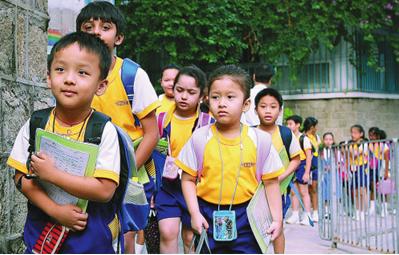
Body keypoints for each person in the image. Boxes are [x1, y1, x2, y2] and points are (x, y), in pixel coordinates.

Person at [6, 32, 121, 253]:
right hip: (41, 236)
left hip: (90, 241)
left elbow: (105, 190)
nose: (69, 79)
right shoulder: (36, 122)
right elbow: (20, 177)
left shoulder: (103, 130)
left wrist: (52, 175)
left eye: (83, 72)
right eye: (60, 69)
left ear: (101, 85)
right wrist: (55, 210)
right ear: (48, 77)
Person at [76, 2, 160, 253]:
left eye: (105, 27)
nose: (96, 32)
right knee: (92, 232)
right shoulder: (72, 74)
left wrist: (126, 174)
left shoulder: (132, 75)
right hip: (86, 172)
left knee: (126, 236)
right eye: (88, 27)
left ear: (119, 37)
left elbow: (151, 134)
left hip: (128, 170)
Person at [178, 65, 284, 253]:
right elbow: (187, 179)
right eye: (215, 97)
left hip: (248, 217)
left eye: (230, 97)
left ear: (246, 104)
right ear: (207, 100)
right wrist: (194, 213)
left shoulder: (260, 140)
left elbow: (271, 184)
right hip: (207, 215)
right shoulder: (199, 138)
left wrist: (277, 219)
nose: (222, 103)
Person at [155, 65, 213, 253]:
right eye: (179, 90)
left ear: (202, 95)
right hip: (167, 187)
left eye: (191, 92)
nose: (184, 96)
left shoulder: (208, 124)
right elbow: (153, 155)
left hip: (195, 190)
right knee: (167, 232)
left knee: (190, 238)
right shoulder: (160, 119)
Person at [254, 88, 301, 253]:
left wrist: (281, 177)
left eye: (273, 107)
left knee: (277, 227)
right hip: (254, 194)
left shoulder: (286, 133)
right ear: (255, 109)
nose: (268, 111)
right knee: (254, 229)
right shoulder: (249, 133)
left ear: (280, 110)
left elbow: (296, 158)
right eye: (263, 106)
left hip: (278, 192)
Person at [349, 124, 368, 221]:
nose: (353, 135)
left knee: (362, 191)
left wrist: (347, 149)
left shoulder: (363, 143)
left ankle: (363, 211)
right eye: (352, 132)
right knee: (355, 191)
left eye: (355, 133)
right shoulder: (351, 144)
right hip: (353, 169)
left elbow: (355, 154)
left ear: (361, 134)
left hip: (361, 168)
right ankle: (356, 211)